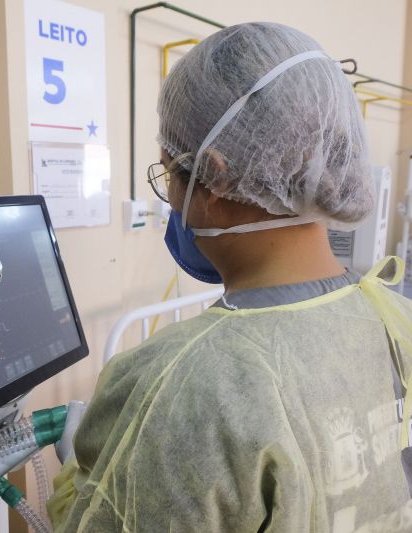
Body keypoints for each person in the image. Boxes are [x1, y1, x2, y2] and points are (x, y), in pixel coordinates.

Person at [48, 22, 412, 532]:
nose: (170, 198)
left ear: (214, 176)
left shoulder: (176, 389)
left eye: (169, 173)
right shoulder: (396, 320)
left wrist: (84, 483)